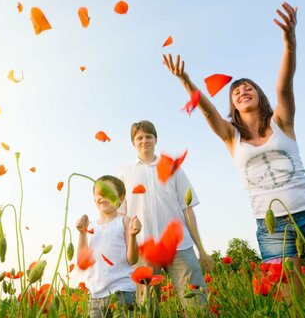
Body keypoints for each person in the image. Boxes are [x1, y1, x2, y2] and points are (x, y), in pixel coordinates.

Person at [163, 2, 305, 292]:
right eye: (236, 92)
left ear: (259, 94)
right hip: (272, 228)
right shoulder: (229, 136)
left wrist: (290, 43)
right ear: (233, 105)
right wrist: (185, 80)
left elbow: (284, 87)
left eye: (248, 87)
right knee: (293, 305)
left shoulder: (282, 122)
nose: (242, 91)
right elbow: (208, 112)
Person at [117, 120, 213, 313]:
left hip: (180, 247)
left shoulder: (172, 168)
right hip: (144, 249)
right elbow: (121, 217)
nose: (144, 140)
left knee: (198, 304)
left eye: (148, 136)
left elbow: (187, 209)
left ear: (156, 140)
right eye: (139, 137)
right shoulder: (124, 173)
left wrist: (201, 249)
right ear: (133, 142)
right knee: (148, 309)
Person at [76, 175, 142, 318]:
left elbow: (132, 260)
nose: (103, 196)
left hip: (122, 293)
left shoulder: (124, 222)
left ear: (121, 198)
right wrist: (82, 233)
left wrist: (132, 235)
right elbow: (82, 261)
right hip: (95, 296)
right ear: (94, 199)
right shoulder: (91, 226)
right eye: (99, 193)